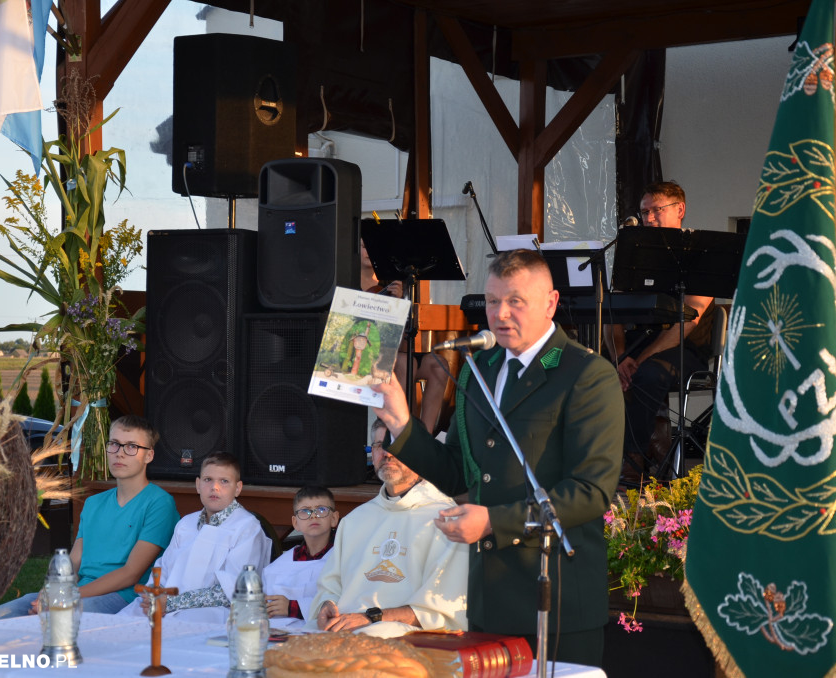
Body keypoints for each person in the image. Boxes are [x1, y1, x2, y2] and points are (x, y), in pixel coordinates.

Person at [373, 249, 624, 666]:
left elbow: (590, 492)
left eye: (515, 301)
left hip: (557, 600)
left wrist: (493, 521)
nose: (500, 313)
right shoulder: (479, 368)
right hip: (490, 600)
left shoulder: (587, 374)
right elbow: (458, 471)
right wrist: (402, 424)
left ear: (551, 302)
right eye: (492, 301)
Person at [0, 415, 179, 620]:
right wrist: (52, 593)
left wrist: (66, 597)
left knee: (50, 620)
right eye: (115, 444)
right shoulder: (94, 503)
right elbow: (73, 561)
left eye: (131, 447)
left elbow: (131, 573)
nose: (120, 454)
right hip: (79, 593)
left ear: (149, 456)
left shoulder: (159, 503)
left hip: (124, 598)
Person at [308, 418, 468, 639]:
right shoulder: (355, 520)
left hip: (405, 639)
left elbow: (441, 610)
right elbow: (330, 586)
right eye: (379, 445)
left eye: (396, 444)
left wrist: (372, 618)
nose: (387, 453)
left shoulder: (447, 520)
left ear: (420, 451)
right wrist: (328, 606)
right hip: (344, 632)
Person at [603, 181, 716, 481]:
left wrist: (636, 361)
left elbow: (688, 321)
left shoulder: (702, 257)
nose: (649, 218)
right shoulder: (634, 257)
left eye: (657, 210)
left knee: (647, 374)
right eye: (644, 212)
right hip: (635, 349)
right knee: (594, 370)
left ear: (680, 210)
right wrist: (619, 357)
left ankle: (634, 458)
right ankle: (654, 435)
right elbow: (611, 313)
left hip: (684, 351)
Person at [121, 451, 272, 623]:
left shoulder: (246, 527)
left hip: (216, 612)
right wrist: (154, 595)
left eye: (224, 481)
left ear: (237, 488)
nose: (215, 487)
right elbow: (163, 569)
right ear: (198, 485)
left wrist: (170, 603)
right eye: (208, 480)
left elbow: (234, 590)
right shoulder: (186, 523)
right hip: (164, 605)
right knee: (122, 622)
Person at [360, 240, 450, 433]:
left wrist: (401, 302)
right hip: (367, 354)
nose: (368, 251)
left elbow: (404, 336)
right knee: (403, 363)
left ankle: (423, 436)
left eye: (371, 246)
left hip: (397, 349)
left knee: (439, 365)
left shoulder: (391, 283)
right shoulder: (348, 283)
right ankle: (394, 431)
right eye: (362, 246)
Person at [262, 485, 340, 627]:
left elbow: (345, 600)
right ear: (295, 523)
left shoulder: (342, 557)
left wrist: (293, 607)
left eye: (321, 509)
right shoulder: (278, 566)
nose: (313, 516)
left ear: (334, 518)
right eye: (305, 511)